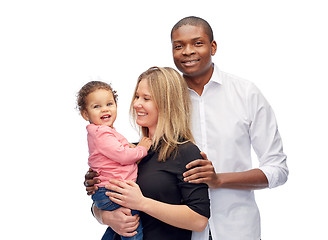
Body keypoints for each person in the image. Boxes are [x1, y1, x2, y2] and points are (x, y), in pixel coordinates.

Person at [86, 17, 289, 240]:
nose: (187, 51)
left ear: (213, 46)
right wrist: (102, 196)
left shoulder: (245, 94)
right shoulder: (162, 100)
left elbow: (277, 169)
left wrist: (219, 179)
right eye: (178, 46)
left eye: (197, 43)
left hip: (235, 228)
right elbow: (123, 198)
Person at [86, 67, 210, 240]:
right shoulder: (131, 152)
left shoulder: (186, 152)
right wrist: (106, 217)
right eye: (137, 96)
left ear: (167, 103)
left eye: (146, 98)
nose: (136, 104)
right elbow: (100, 205)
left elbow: (199, 220)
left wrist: (142, 203)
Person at [77, 81, 152, 240]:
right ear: (85, 114)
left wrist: (133, 147)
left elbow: (120, 152)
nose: (104, 109)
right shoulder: (101, 133)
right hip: (112, 191)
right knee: (132, 230)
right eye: (96, 106)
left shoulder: (105, 133)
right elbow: (123, 156)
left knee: (119, 227)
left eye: (109, 104)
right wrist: (142, 148)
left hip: (109, 192)